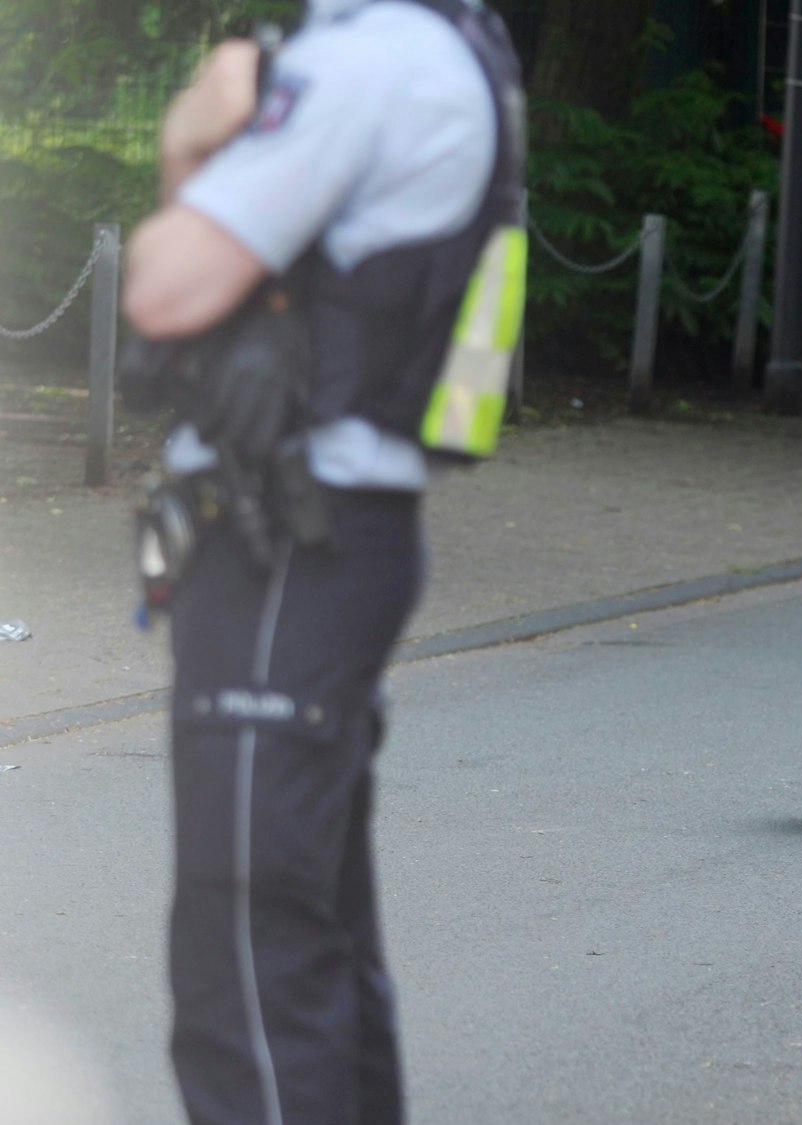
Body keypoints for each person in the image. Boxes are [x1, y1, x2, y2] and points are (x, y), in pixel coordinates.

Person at [118, 1, 523, 1121]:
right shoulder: (444, 47)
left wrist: (189, 136)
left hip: (285, 545)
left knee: (249, 952)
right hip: (325, 536)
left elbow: (163, 287)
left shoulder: (366, 60)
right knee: (314, 938)